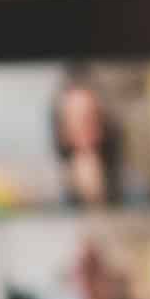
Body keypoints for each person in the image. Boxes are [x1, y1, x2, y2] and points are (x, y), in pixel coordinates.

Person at [51, 71, 125, 206]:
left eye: (89, 118)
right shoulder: (53, 197)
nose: (83, 127)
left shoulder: (132, 187)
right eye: (74, 119)